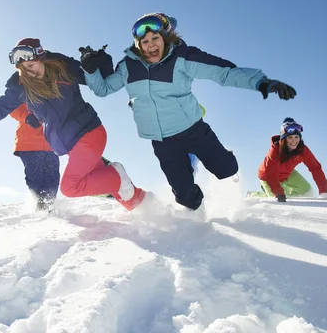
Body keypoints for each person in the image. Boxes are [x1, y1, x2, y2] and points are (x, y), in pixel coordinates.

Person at [81, 12, 296, 211]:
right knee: (184, 197)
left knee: (226, 170)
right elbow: (103, 89)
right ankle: (198, 217)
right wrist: (90, 70)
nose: (150, 45)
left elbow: (224, 73)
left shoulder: (182, 58)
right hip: (162, 141)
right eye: (144, 42)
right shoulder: (128, 66)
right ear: (138, 45)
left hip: (193, 130)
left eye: (155, 38)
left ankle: (224, 158)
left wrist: (262, 82)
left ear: (166, 38)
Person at [0, 38, 146, 211]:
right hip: (69, 143)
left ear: (41, 57)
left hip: (88, 133)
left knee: (70, 187)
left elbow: (98, 82)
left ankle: (117, 175)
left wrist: (100, 63)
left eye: (31, 65)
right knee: (97, 174)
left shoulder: (63, 68)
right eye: (23, 69)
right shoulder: (21, 86)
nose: (29, 72)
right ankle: (139, 204)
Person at [253, 117, 327, 202]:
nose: (294, 141)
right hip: (268, 176)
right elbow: (270, 173)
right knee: (274, 200)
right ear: (284, 139)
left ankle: (282, 191)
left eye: (296, 137)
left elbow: (315, 168)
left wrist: (324, 191)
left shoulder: (302, 150)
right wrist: (279, 193)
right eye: (290, 137)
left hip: (287, 174)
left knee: (307, 192)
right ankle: (255, 194)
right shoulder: (275, 151)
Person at [9, 103, 60, 212]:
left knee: (53, 178)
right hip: (30, 143)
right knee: (36, 177)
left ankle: (49, 206)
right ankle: (41, 206)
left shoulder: (56, 90)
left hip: (52, 144)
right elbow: (11, 106)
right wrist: (26, 116)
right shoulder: (22, 88)